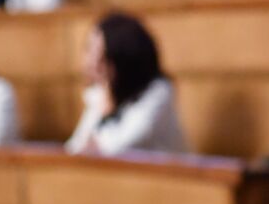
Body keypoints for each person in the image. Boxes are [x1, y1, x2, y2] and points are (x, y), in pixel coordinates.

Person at [66, 12, 188, 156]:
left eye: (102, 57)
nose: (90, 63)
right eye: (89, 50)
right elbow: (74, 149)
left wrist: (106, 112)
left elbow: (116, 147)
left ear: (123, 61)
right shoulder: (100, 92)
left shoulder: (158, 93)